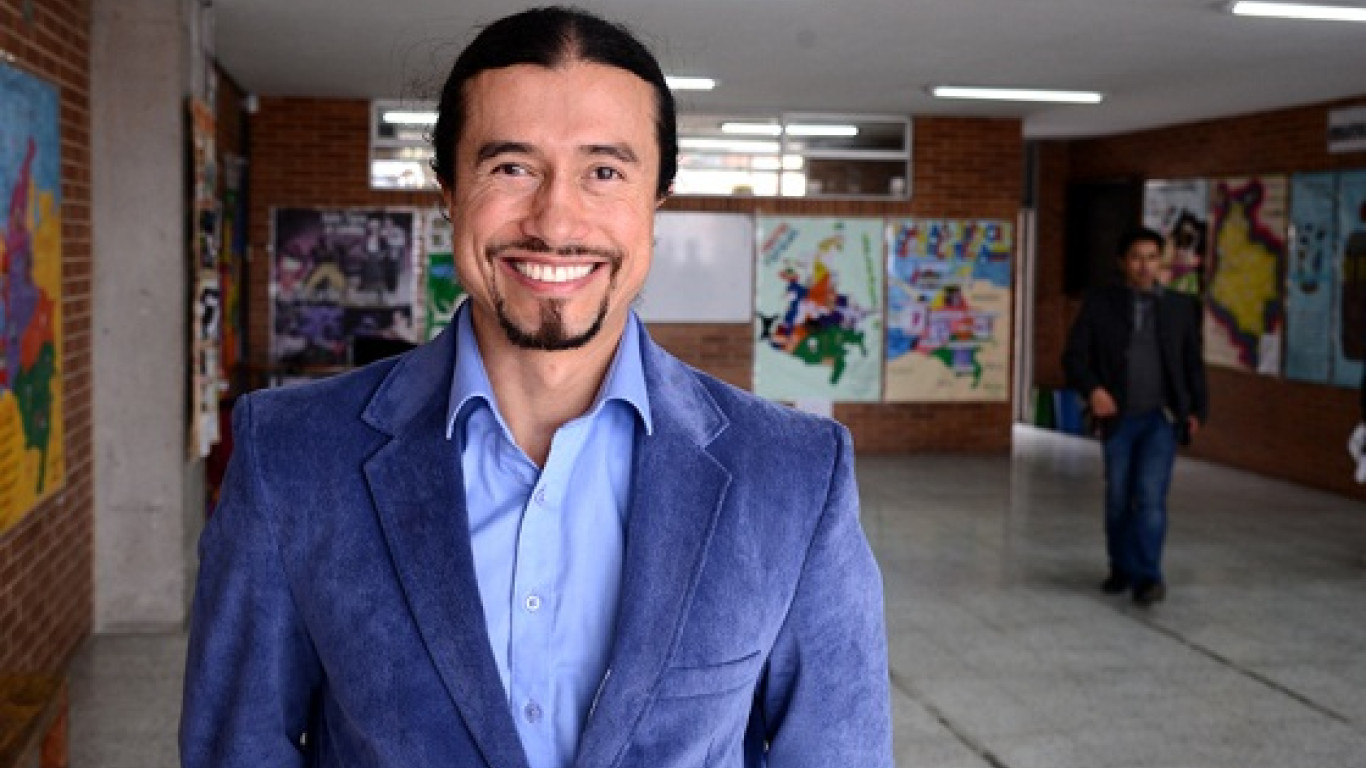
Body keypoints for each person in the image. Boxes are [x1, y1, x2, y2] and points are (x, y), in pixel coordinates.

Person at [179, 8, 892, 768]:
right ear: (449, 189)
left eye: (604, 172)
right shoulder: (290, 455)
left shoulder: (793, 475)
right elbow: (237, 750)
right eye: (511, 168)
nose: (555, 221)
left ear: (657, 199)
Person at [1062, 227, 1208, 607]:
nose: (1145, 266)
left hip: (1161, 418)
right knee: (1118, 497)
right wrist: (1094, 390)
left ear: (1161, 262)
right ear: (1123, 263)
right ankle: (1121, 567)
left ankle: (1148, 576)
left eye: (1152, 258)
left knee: (1150, 497)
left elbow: (1192, 363)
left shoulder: (1180, 307)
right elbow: (1074, 357)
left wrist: (1196, 409)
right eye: (1137, 258)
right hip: (1119, 419)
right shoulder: (1100, 304)